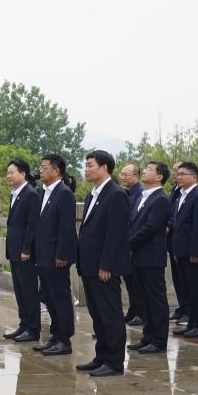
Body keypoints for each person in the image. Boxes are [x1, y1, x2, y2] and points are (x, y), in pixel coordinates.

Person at [76, 150, 131, 377]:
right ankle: (102, 356)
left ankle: (114, 362)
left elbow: (115, 234)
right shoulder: (93, 194)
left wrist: (106, 265)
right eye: (86, 165)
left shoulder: (116, 194)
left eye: (90, 165)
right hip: (89, 265)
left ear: (104, 167)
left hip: (104, 267)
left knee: (110, 315)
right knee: (97, 314)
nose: (86, 169)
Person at [32, 153, 78, 356]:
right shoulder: (43, 192)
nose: (40, 171)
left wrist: (62, 254)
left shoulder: (64, 193)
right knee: (48, 296)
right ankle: (55, 334)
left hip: (56, 256)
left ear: (56, 171)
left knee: (60, 296)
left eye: (44, 168)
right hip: (43, 254)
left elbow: (66, 227)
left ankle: (65, 338)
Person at [126, 162, 172, 354]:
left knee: (156, 300)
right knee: (144, 299)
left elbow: (151, 227)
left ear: (159, 177)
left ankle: (159, 340)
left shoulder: (161, 199)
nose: (144, 171)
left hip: (151, 257)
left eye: (149, 169)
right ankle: (148, 337)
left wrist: (128, 243)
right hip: (138, 256)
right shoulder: (143, 196)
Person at [170, 162, 198, 339]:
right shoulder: (182, 195)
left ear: (194, 177)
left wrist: (195, 252)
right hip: (180, 251)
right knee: (187, 289)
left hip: (191, 253)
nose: (179, 177)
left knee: (196, 290)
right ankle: (191, 323)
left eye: (183, 174)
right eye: (178, 174)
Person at [3, 160, 41, 343]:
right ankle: (24, 324)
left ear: (23, 174)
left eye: (11, 172)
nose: (8, 176)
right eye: (7, 173)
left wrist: (27, 248)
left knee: (29, 291)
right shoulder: (16, 194)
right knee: (19, 291)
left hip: (24, 253)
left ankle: (33, 329)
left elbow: (32, 224)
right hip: (14, 250)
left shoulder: (30, 194)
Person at [119, 164, 145, 326]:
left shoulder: (141, 193)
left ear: (136, 176)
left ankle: (141, 313)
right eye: (121, 174)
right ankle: (133, 310)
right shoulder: (125, 193)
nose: (122, 177)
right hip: (125, 243)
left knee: (137, 282)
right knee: (129, 281)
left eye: (125, 174)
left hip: (135, 244)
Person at [166, 161, 189, 323]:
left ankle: (189, 311)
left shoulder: (189, 194)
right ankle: (182, 307)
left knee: (187, 280)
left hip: (183, 242)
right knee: (178, 278)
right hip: (173, 241)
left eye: (180, 172)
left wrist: (169, 225)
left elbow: (178, 215)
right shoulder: (175, 190)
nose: (176, 175)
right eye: (175, 172)